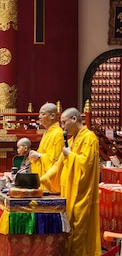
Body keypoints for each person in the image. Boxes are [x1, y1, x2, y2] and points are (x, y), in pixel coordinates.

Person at [39, 108, 100, 256]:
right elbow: (58, 165)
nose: (63, 127)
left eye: (64, 122)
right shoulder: (72, 140)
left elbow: (86, 164)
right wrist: (42, 180)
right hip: (68, 193)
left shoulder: (89, 139)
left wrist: (70, 155)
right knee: (68, 230)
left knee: (79, 231)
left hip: (81, 194)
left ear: (74, 119)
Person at [28, 102, 65, 192]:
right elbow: (43, 152)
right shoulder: (47, 132)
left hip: (52, 184)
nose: (39, 117)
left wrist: (39, 156)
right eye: (40, 114)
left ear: (52, 116)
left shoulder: (57, 134)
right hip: (43, 180)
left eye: (43, 114)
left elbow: (56, 161)